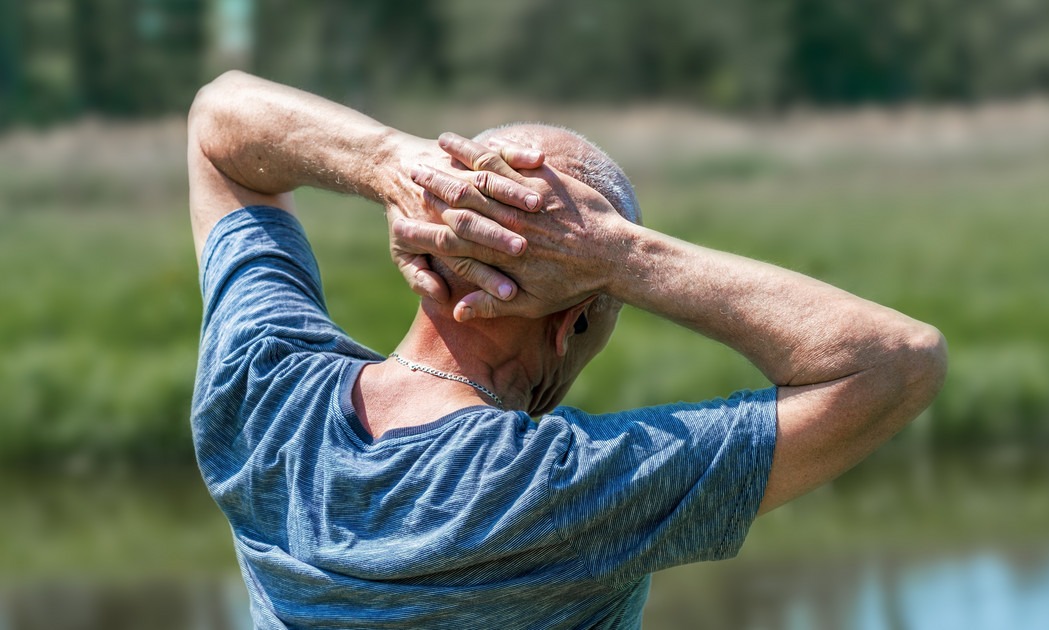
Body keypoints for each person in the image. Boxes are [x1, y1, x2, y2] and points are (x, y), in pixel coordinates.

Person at [188, 71, 947, 629]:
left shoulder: (264, 392)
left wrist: (395, 164)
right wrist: (620, 256)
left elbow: (220, 126)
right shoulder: (562, 490)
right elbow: (897, 360)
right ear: (571, 322)